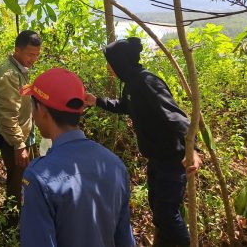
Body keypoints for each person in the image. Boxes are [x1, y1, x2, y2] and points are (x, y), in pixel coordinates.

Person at [84, 37, 202, 247]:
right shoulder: (131, 83)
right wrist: (97, 101)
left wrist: (192, 150)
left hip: (172, 159)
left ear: (120, 62)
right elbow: (124, 105)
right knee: (158, 210)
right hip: (156, 158)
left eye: (109, 62)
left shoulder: (147, 81)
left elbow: (177, 117)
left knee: (167, 214)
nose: (108, 67)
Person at [20, 68, 136, 247]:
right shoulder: (114, 164)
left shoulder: (38, 177)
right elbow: (125, 239)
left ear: (41, 109)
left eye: (32, 105)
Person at [0, 30, 41, 225]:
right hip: (15, 139)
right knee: (18, 183)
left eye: (36, 55)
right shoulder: (8, 74)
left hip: (26, 135)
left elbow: (22, 100)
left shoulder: (20, 71)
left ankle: (23, 218)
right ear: (17, 50)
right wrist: (19, 144)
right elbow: (6, 114)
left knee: (28, 179)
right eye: (30, 54)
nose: (33, 59)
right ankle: (11, 225)